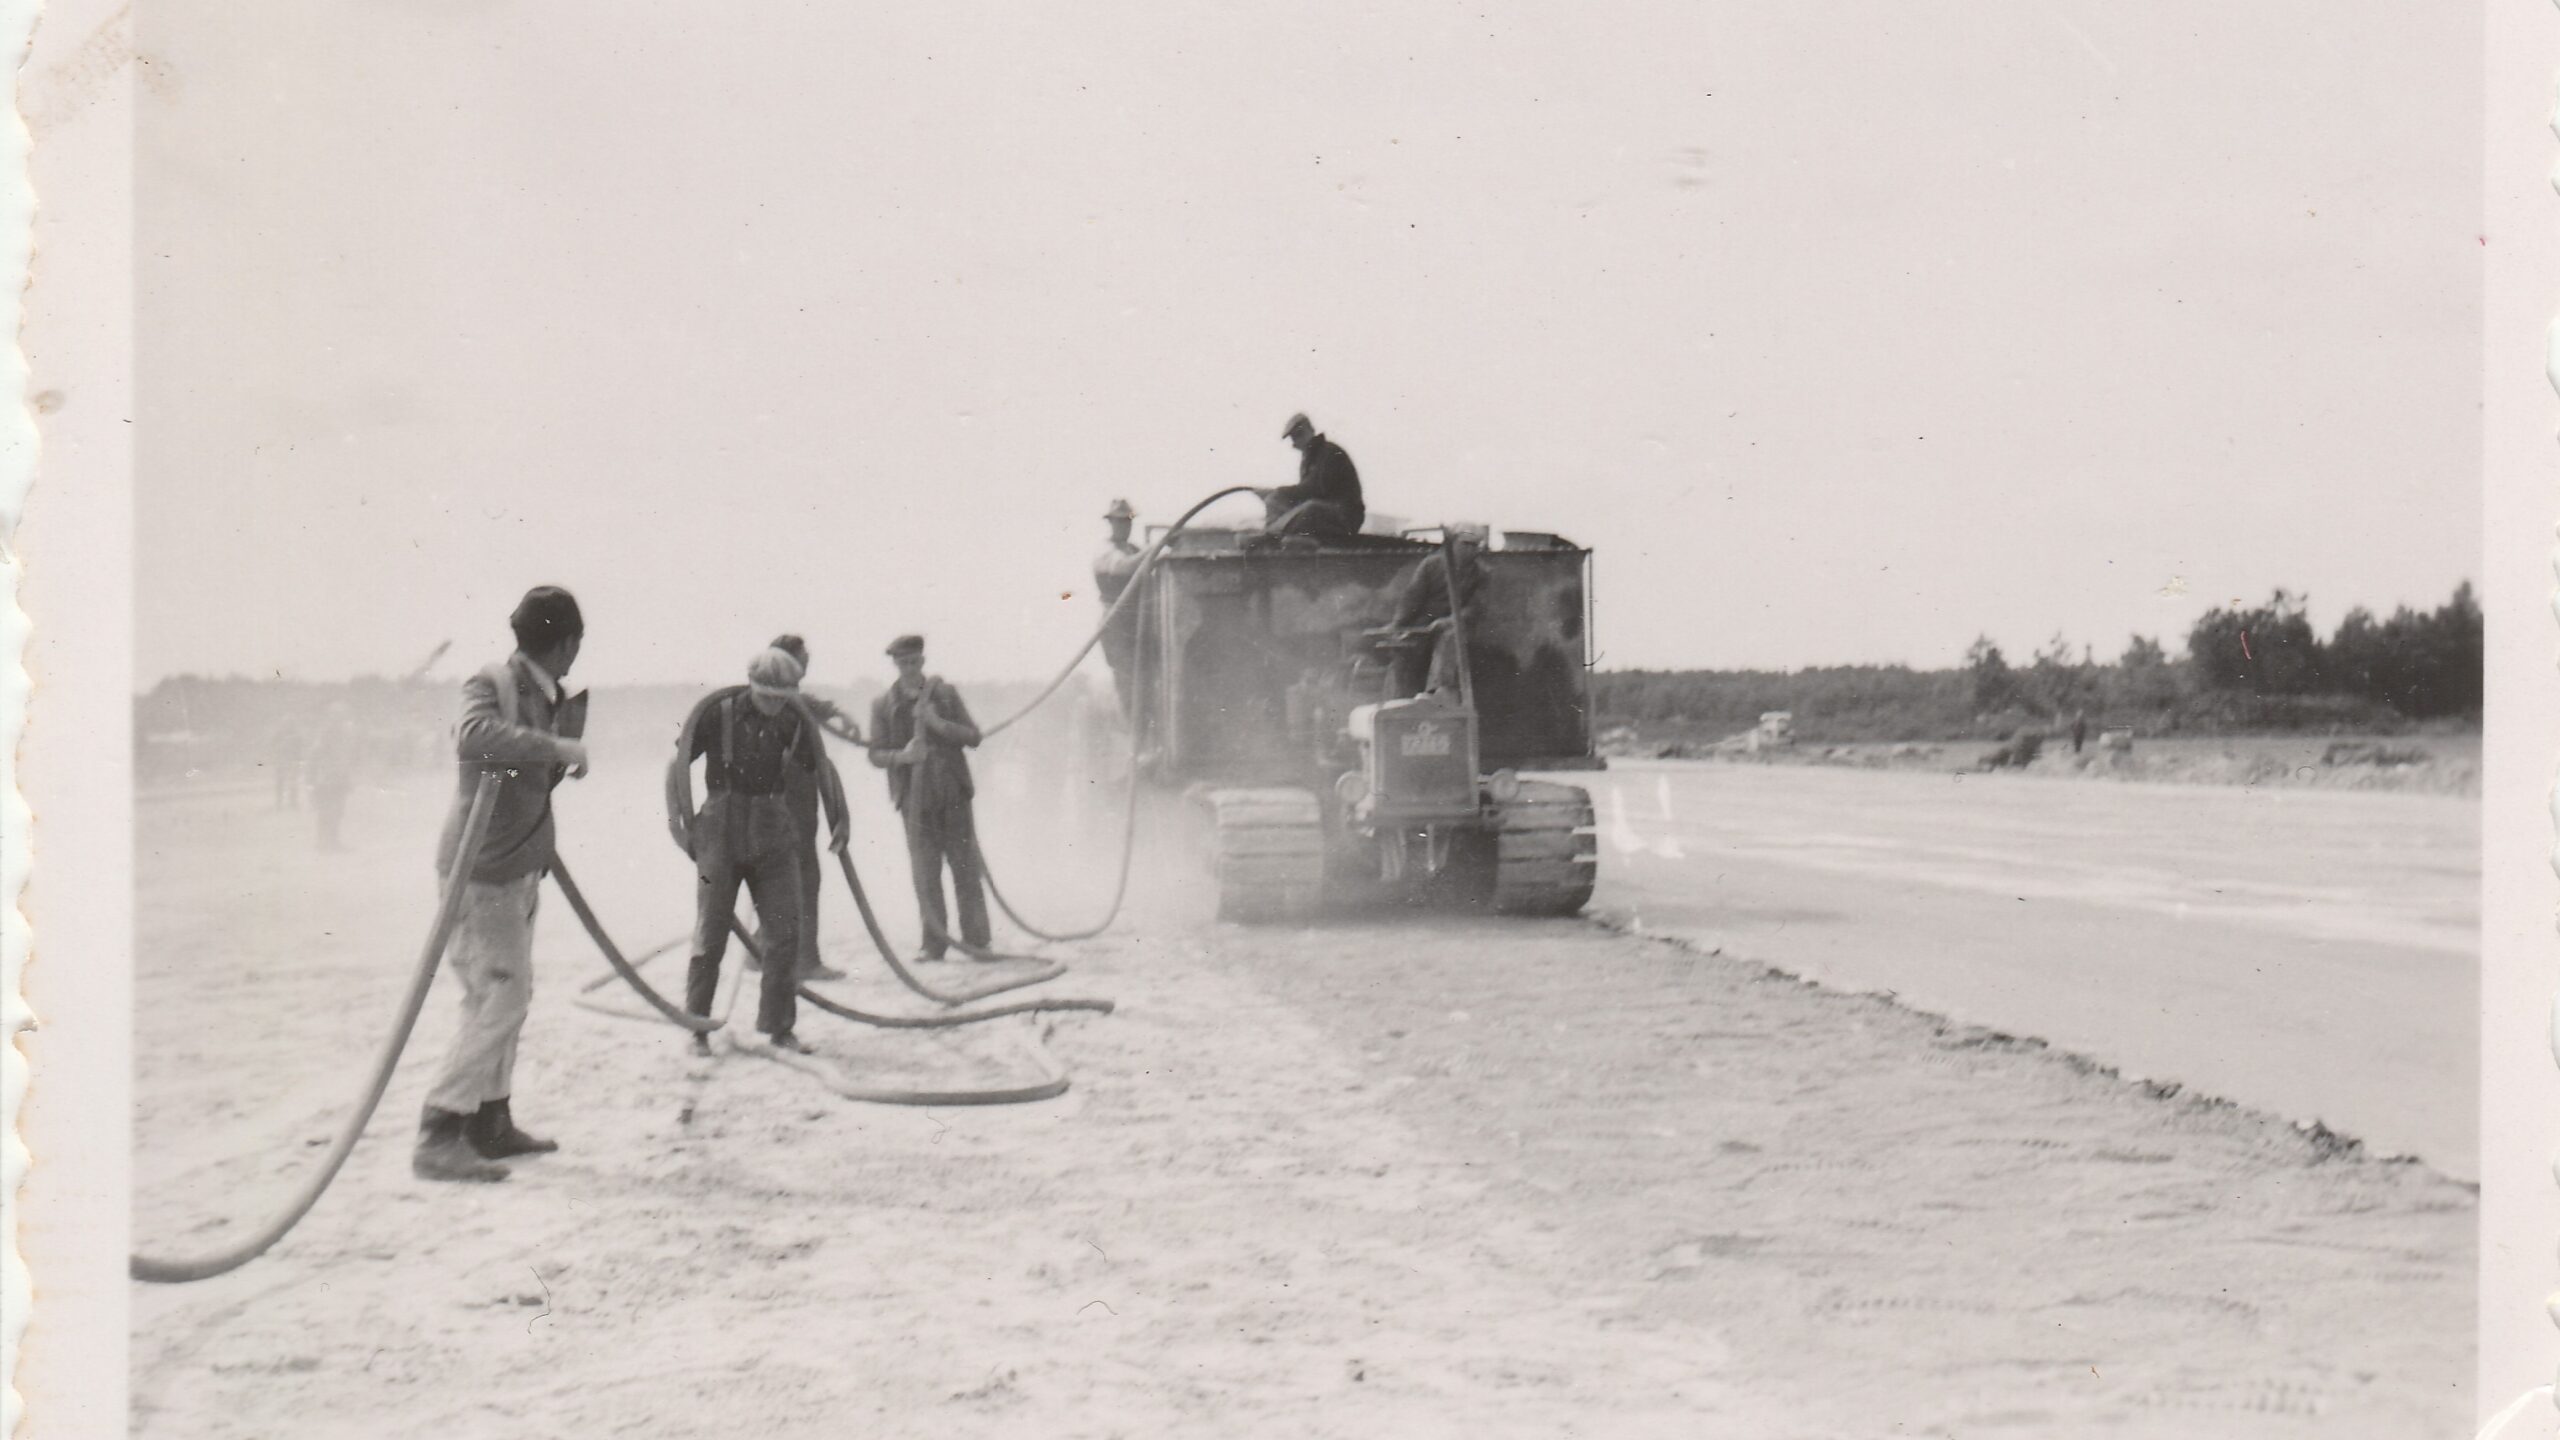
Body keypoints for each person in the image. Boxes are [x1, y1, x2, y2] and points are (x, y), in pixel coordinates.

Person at [416, 585, 592, 1184]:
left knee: (501, 992)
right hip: (480, 871)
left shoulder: (548, 695)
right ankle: (439, 1130)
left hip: (518, 866)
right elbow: (473, 738)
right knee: (503, 995)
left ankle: (491, 1121)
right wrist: (554, 746)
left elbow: (519, 768)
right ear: (567, 644)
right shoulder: (491, 684)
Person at [668, 646, 850, 1055]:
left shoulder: (793, 720)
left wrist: (842, 817)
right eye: (767, 696)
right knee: (710, 932)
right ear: (752, 686)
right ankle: (697, 1028)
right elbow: (675, 764)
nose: (773, 706)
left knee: (785, 932)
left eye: (782, 698)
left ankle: (778, 1027)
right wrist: (677, 823)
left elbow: (822, 768)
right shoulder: (718, 714)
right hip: (720, 830)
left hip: (772, 830)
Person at [866, 634, 990, 962]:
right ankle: (934, 944)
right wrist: (902, 757)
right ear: (895, 664)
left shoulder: (945, 695)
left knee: (965, 868)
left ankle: (977, 941)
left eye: (914, 661)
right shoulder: (882, 704)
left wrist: (939, 724)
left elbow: (974, 736)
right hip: (915, 800)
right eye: (902, 663)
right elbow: (875, 754)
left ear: (922, 661)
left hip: (953, 794)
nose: (908, 668)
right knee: (925, 872)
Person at [761, 634, 858, 983]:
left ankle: (760, 951)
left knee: (772, 877)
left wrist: (837, 711)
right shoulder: (786, 701)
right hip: (789, 803)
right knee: (804, 877)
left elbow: (808, 703)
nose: (806, 665)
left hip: (779, 803)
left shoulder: (770, 697)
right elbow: (803, 705)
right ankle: (806, 961)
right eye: (802, 659)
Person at [1386, 524, 1491, 698]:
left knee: (1450, 638)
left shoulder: (1481, 573)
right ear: (1452, 543)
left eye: (1474, 546)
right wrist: (1398, 625)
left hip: (1457, 625)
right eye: (1465, 544)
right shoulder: (1431, 564)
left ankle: (1436, 692)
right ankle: (1400, 699)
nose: (1469, 550)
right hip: (1425, 622)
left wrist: (1450, 620)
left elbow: (1475, 607)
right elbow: (1412, 597)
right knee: (1405, 647)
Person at [1259, 413, 1365, 538]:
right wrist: (1274, 495)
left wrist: (1279, 492)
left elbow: (1315, 489)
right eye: (1295, 436)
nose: (1299, 439)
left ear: (1311, 430)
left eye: (1301, 433)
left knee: (1311, 508)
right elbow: (1303, 493)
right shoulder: (1309, 459)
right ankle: (1275, 534)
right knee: (1273, 501)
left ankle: (1273, 535)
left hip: (1345, 516)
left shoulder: (1330, 452)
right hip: (1328, 515)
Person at [1093, 499, 1146, 716]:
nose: (1124, 526)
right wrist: (1154, 550)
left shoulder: (1134, 549)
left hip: (1138, 622)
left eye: (1127, 521)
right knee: (1127, 682)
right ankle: (1134, 737)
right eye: (1120, 522)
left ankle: (1148, 737)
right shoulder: (1106, 552)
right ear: (1111, 523)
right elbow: (1125, 566)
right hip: (1116, 624)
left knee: (1145, 682)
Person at [306, 704, 358, 851]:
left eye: (341, 717)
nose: (340, 720)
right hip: (326, 780)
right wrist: (312, 780)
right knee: (326, 812)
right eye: (337, 717)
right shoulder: (324, 736)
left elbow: (345, 758)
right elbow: (314, 757)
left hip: (339, 779)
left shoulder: (344, 736)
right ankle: (322, 843)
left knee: (338, 812)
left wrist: (347, 778)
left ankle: (333, 841)